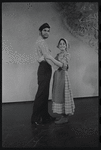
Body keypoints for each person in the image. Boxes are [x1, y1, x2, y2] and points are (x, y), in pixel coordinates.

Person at [45, 38, 75, 124]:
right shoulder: (58, 55)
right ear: (58, 46)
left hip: (63, 76)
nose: (62, 45)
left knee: (63, 94)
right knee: (58, 94)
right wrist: (46, 55)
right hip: (58, 76)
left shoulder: (67, 55)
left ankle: (65, 117)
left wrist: (51, 58)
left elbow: (62, 65)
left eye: (64, 44)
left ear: (66, 46)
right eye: (60, 44)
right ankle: (62, 115)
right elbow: (53, 64)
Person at [31, 23, 56, 127]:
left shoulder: (42, 42)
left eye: (48, 31)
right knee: (41, 94)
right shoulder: (41, 42)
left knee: (45, 93)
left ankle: (45, 116)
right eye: (45, 30)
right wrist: (56, 67)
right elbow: (47, 57)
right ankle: (35, 118)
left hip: (45, 68)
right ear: (40, 31)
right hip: (44, 68)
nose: (47, 32)